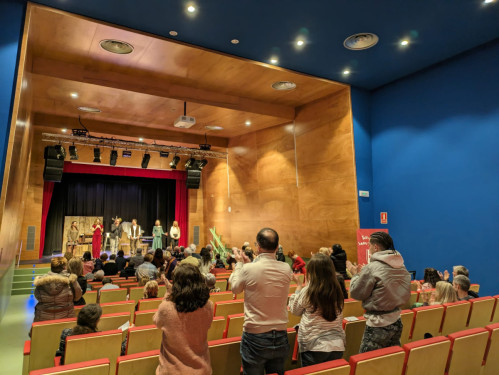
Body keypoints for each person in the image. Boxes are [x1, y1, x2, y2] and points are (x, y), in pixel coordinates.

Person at [230, 228, 293, 375]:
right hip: (281, 334)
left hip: (255, 337)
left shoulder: (248, 269)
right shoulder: (286, 268)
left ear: (257, 247)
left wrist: (239, 264)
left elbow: (235, 288)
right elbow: (266, 268)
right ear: (277, 247)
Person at [346, 231, 411, 353]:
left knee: (367, 364)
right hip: (396, 320)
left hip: (378, 324)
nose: (368, 248)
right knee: (390, 360)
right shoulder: (401, 266)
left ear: (375, 247)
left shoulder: (372, 268)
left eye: (369, 245)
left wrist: (355, 275)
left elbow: (356, 293)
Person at [153, 264, 213, 374]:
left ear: (176, 285)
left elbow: (157, 322)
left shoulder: (166, 308)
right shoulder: (208, 306)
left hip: (172, 371)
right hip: (203, 369)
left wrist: (168, 294)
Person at [289, 254, 345, 367]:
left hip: (313, 346)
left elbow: (294, 310)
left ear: (312, 272)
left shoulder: (308, 291)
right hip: (337, 344)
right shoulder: (337, 289)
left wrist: (298, 287)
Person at [33, 257, 82, 323]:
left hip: (43, 319)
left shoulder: (41, 281)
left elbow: (37, 296)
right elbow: (77, 297)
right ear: (64, 267)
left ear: (51, 267)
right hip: (66, 318)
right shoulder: (71, 280)